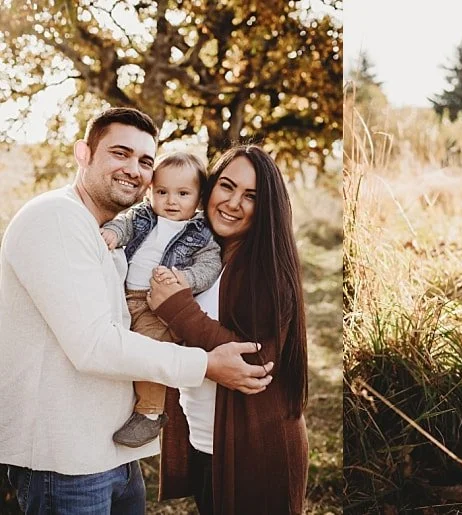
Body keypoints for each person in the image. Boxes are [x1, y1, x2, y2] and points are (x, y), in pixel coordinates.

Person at [0, 107, 273, 514]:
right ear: (83, 153)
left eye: (145, 160)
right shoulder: (57, 217)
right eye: (119, 153)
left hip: (113, 453)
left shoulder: (111, 231)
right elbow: (93, 344)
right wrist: (204, 364)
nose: (133, 169)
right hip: (65, 463)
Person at [146, 145, 309, 515]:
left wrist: (178, 310)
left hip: (254, 453)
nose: (233, 203)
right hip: (208, 444)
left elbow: (256, 363)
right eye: (227, 186)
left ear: (266, 206)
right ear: (209, 188)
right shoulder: (208, 254)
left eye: (250, 196)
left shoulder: (265, 269)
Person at [101, 151, 222, 448]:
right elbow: (124, 223)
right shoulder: (143, 216)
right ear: (151, 191)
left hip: (156, 305)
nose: (171, 201)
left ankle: (150, 413)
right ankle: (117, 403)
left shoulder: (201, 232)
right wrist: (113, 233)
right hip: (123, 295)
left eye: (183, 194)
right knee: (115, 347)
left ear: (198, 198)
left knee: (149, 351)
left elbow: (209, 265)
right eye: (162, 192)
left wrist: (186, 280)